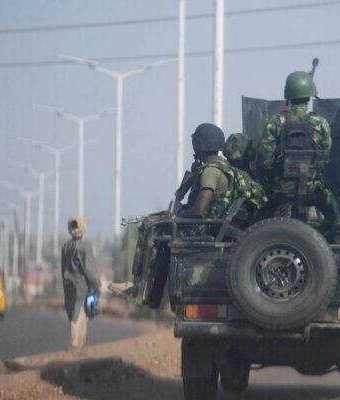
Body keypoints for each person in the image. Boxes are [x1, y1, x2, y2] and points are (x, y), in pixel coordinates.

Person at [110, 123, 266, 301]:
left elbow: (199, 209)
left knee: (150, 225)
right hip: (211, 225)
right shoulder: (224, 168)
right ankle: (151, 293)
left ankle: (139, 285)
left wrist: (177, 216)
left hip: (203, 227)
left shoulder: (210, 171)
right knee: (160, 234)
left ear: (197, 146)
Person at [256, 69, 333, 228]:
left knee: (260, 217)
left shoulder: (276, 122)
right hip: (313, 188)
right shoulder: (321, 123)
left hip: (281, 190)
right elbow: (326, 159)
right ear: (309, 96)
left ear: (288, 96)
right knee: (335, 214)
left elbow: (264, 161)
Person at [61, 215, 101, 352]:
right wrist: (96, 286)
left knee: (73, 312)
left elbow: (63, 269)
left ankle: (76, 345)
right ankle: (76, 344)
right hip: (82, 286)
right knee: (80, 315)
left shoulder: (66, 247)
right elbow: (90, 269)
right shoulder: (84, 247)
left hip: (69, 285)